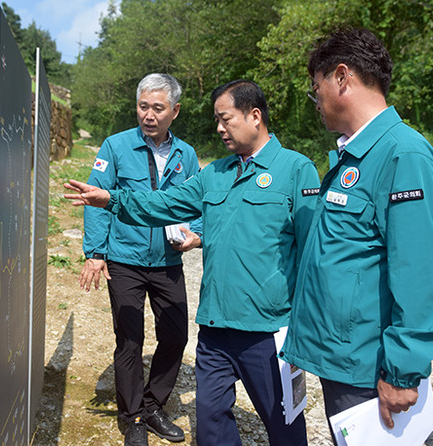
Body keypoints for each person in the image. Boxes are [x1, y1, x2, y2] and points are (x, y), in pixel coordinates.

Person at [66, 79, 319, 446]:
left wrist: (307, 326)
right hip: (214, 330)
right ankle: (137, 413)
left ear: (255, 116)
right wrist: (112, 200)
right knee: (211, 427)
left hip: (268, 331)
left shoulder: (296, 169)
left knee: (284, 427)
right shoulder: (214, 173)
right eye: (216, 120)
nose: (219, 128)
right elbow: (163, 204)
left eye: (225, 119)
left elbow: (313, 251)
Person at [279, 28, 433, 443]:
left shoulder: (403, 155)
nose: (316, 102)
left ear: (342, 77)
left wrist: (402, 371)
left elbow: (420, 276)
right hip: (342, 360)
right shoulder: (353, 156)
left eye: (316, 88)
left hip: (369, 369)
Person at [79, 73, 202, 446]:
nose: (149, 115)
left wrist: (196, 234)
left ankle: (153, 406)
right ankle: (132, 416)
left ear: (175, 111)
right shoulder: (115, 147)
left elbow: (198, 202)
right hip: (124, 260)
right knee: (130, 340)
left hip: (168, 261)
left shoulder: (186, 155)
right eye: (143, 106)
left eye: (158, 108)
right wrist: (95, 253)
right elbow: (96, 200)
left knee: (176, 335)